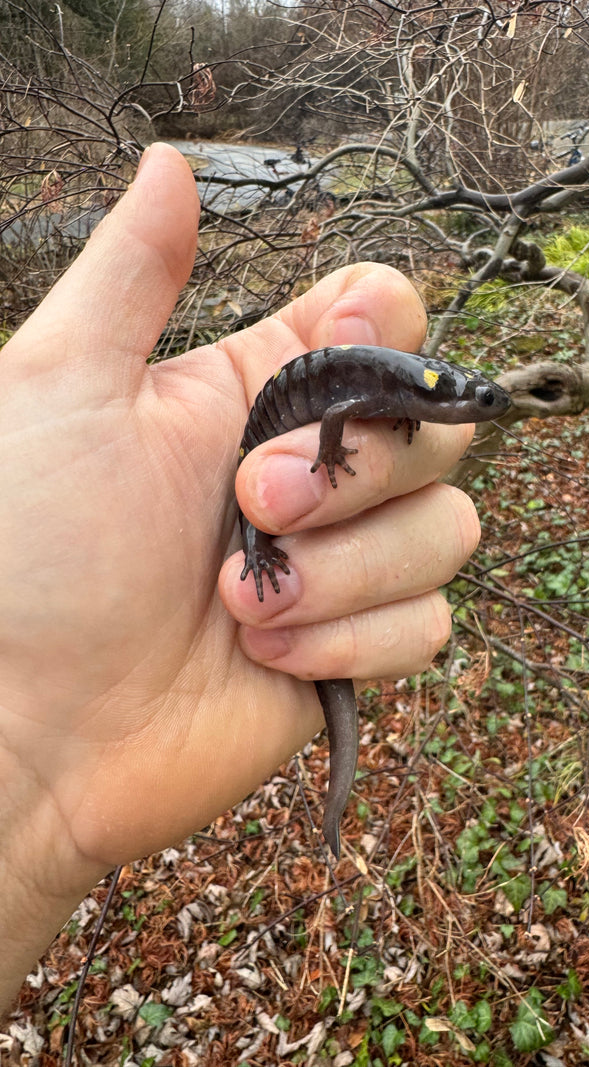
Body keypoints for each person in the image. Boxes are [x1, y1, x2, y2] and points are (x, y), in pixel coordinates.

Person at [0, 143, 482, 1011]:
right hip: (253, 476)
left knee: (291, 511)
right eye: (467, 402)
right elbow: (338, 413)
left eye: (466, 404)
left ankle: (271, 560)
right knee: (267, 507)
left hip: (269, 495)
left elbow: (383, 406)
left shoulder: (409, 389)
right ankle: (262, 547)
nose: (474, 414)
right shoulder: (382, 386)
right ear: (435, 395)